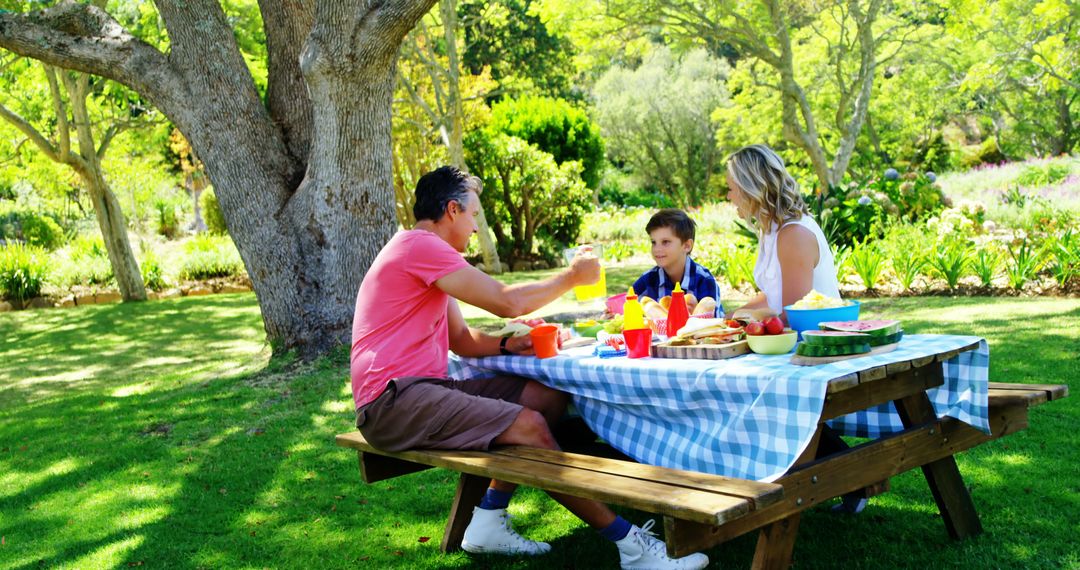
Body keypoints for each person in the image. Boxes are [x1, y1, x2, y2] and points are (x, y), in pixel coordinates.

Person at [350, 166, 709, 569]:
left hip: (425, 390)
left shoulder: (428, 256)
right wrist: (572, 277)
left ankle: (488, 519)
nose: (474, 226)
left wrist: (511, 343)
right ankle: (631, 546)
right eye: (473, 215)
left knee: (546, 395)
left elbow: (462, 341)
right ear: (452, 210)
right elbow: (507, 302)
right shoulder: (419, 247)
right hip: (393, 402)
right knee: (529, 426)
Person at [724, 144, 841, 322]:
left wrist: (735, 327)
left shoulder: (794, 235)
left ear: (750, 190)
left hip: (817, 342)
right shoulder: (773, 230)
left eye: (730, 189)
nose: (728, 197)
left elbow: (794, 317)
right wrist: (723, 319)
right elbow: (773, 297)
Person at [631, 209, 722, 317]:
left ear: (687, 245)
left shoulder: (704, 280)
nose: (657, 249)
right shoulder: (648, 279)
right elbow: (628, 307)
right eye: (654, 242)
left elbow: (714, 324)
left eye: (665, 242)